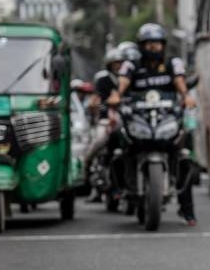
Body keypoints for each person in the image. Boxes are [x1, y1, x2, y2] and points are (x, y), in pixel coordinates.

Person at [108, 23, 198, 226]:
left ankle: (187, 209)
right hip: (138, 120)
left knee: (184, 157)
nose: (153, 48)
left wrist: (186, 97)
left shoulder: (172, 63)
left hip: (166, 120)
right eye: (149, 44)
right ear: (141, 46)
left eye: (157, 44)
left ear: (163, 45)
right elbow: (122, 82)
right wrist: (117, 95)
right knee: (117, 144)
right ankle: (118, 187)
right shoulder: (131, 65)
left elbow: (179, 81)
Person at [84, 47, 125, 203]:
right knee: (99, 142)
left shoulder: (131, 78)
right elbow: (96, 101)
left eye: (122, 63)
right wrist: (102, 107)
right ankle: (88, 171)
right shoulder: (103, 79)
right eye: (116, 63)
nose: (119, 66)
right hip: (106, 120)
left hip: (127, 120)